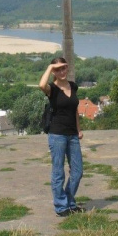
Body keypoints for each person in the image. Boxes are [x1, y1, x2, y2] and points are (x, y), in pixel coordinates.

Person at [39, 57, 84, 217]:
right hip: (57, 135)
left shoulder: (73, 86)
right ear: (54, 72)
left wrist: (78, 130)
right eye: (58, 70)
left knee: (77, 171)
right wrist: (50, 66)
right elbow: (41, 85)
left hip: (72, 135)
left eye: (64, 68)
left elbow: (75, 110)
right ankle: (61, 206)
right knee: (58, 172)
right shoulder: (52, 89)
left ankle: (70, 202)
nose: (62, 72)